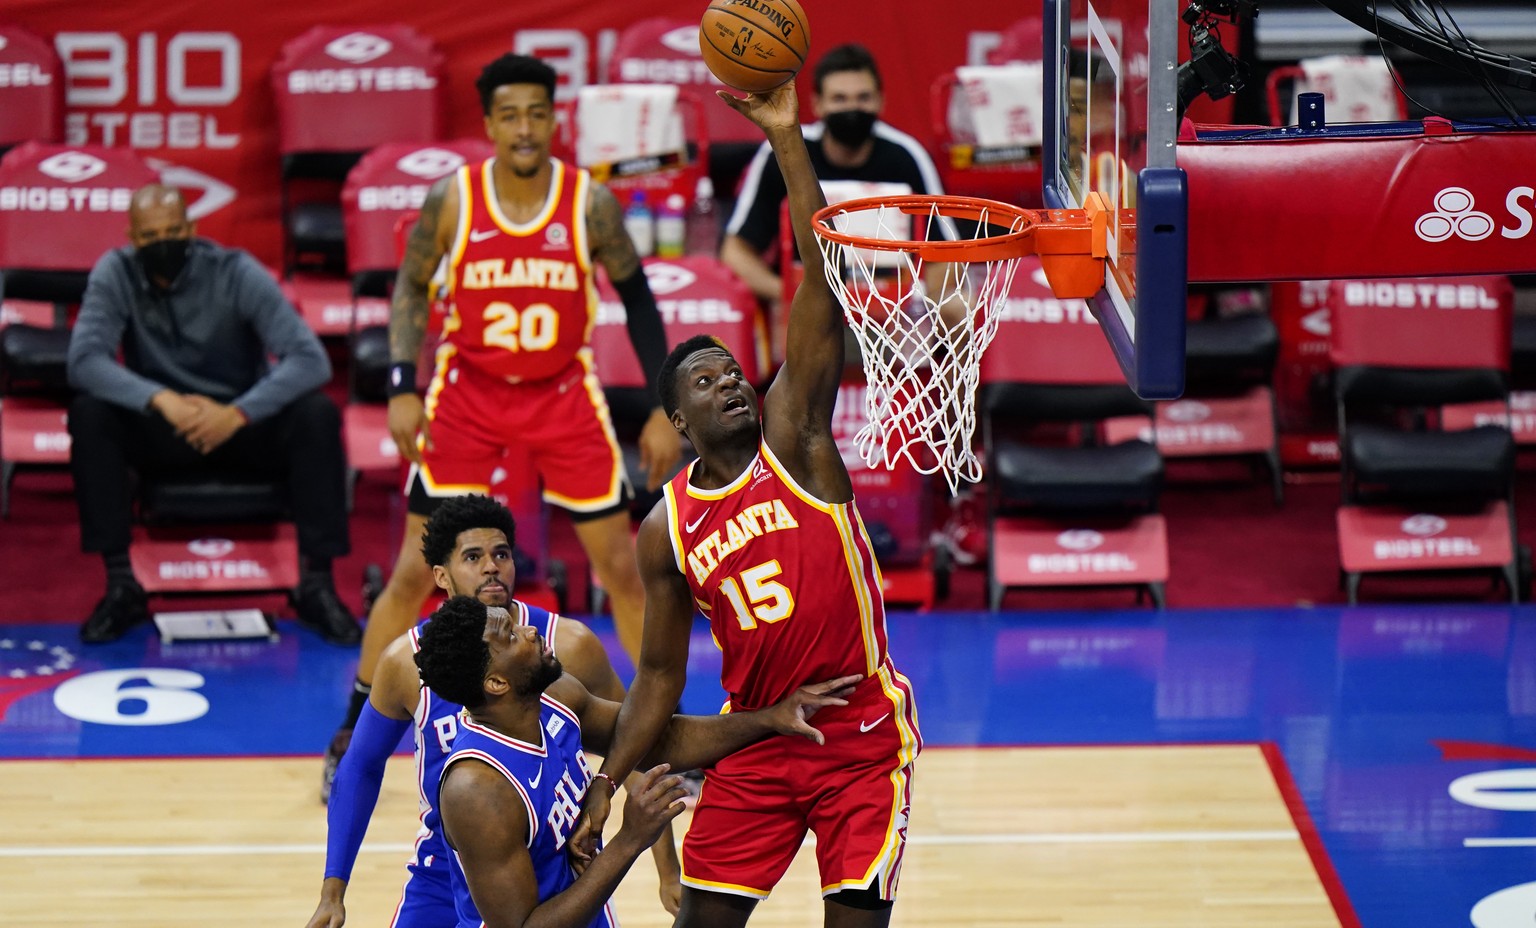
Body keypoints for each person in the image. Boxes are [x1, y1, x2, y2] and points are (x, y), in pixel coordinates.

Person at [572, 82, 923, 928]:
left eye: (731, 369)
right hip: (758, 741)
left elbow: (819, 277)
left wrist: (786, 137)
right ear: (678, 421)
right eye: (704, 380)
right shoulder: (667, 528)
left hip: (858, 737)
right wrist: (608, 785)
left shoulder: (795, 440)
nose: (728, 380)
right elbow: (657, 677)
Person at [324, 53, 683, 787]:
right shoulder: (454, 200)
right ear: (489, 125)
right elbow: (409, 291)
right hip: (469, 391)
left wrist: (657, 404)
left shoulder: (589, 205)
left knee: (622, 568)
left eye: (538, 113)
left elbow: (640, 300)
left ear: (556, 121)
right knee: (410, 575)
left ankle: (650, 732)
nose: (525, 127)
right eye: (510, 114)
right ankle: (351, 732)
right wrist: (401, 383)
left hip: (560, 391)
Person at [304, 495, 682, 928]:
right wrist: (333, 891)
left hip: (551, 870)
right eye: (473, 556)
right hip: (443, 875)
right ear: (441, 576)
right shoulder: (406, 662)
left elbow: (636, 746)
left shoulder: (567, 646)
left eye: (501, 553)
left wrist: (668, 873)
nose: (491, 567)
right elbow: (360, 768)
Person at [414, 594, 859, 928]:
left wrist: (767, 719)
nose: (529, 631)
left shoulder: (556, 695)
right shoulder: (476, 790)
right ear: (495, 683)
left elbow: (656, 739)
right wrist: (630, 839)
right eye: (510, 636)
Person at [66, 184, 358, 646]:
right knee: (90, 414)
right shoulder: (115, 271)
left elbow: (311, 360)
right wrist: (162, 399)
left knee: (316, 414)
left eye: (173, 231)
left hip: (240, 426)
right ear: (131, 237)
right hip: (166, 428)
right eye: (150, 235)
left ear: (191, 228)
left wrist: (239, 413)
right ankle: (122, 584)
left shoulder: (236, 271)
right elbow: (83, 361)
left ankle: (317, 584)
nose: (163, 242)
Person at [719, 43, 944, 306]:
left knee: (959, 306)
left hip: (894, 309)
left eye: (863, 98)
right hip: (805, 304)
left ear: (880, 101)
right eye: (840, 99)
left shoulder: (907, 156)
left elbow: (946, 255)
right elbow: (735, 252)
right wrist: (792, 297)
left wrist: (914, 301)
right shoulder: (783, 151)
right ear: (817, 104)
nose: (852, 108)